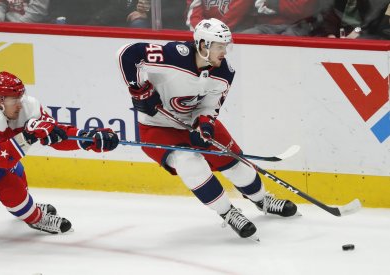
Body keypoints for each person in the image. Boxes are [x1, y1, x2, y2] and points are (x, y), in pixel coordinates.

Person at [116, 18, 298, 239]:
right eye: (220, 46)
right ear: (203, 45)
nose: (224, 52)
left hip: (192, 122)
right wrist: (139, 90)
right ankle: (229, 213)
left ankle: (262, 200)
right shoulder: (174, 55)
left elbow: (211, 106)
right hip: (157, 126)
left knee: (236, 165)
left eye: (226, 46)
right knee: (190, 163)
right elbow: (127, 53)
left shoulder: (225, 72)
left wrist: (206, 125)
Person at [0, 71, 119, 234]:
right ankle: (35, 218)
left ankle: (25, 208)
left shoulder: (26, 106)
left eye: (20, 96)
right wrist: (28, 136)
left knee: (18, 174)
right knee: (8, 183)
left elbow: (56, 134)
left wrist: (88, 139)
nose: (20, 104)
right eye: (14, 99)